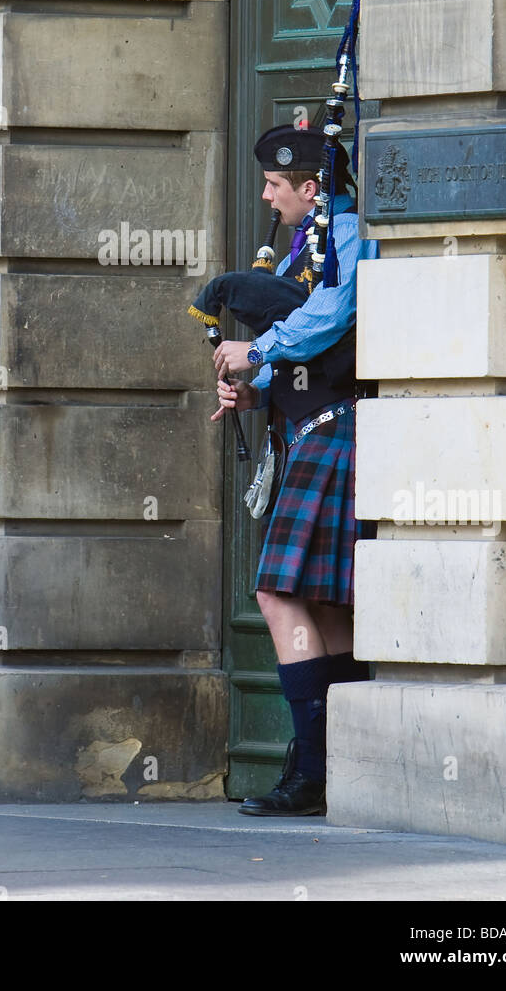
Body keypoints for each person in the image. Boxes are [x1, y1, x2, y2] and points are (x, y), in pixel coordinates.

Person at [211, 123, 378, 816]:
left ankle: (310, 771)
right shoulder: (295, 251)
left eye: (277, 184)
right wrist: (251, 386)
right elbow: (294, 351)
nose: (266, 194)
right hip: (310, 427)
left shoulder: (344, 235)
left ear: (311, 189)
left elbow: (333, 315)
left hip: (336, 427)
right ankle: (331, 765)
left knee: (279, 595)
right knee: (328, 607)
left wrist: (259, 350)